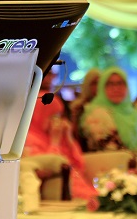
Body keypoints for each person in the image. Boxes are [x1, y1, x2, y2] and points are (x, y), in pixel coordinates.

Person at [24, 67, 96, 199]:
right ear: (39, 114)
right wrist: (54, 142)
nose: (56, 120)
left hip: (78, 183)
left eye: (58, 115)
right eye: (52, 115)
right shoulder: (29, 138)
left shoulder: (54, 134)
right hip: (62, 187)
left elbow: (80, 164)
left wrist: (68, 138)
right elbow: (51, 166)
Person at [70, 67, 100, 150]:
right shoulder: (79, 107)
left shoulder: (107, 105)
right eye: (94, 83)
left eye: (100, 83)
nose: (97, 87)